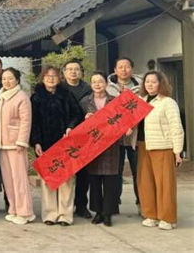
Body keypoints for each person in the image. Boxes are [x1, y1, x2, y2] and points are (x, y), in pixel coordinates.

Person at [30, 65, 82, 226]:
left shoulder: (66, 95)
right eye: (48, 76)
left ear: (59, 78)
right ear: (42, 78)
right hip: (45, 143)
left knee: (66, 180)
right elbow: (33, 122)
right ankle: (50, 213)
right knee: (48, 179)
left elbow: (77, 114)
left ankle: (65, 214)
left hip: (65, 143)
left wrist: (71, 127)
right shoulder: (36, 97)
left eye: (54, 76)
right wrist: (36, 142)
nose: (51, 79)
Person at [137, 71, 184, 231]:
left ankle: (167, 218)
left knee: (165, 184)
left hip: (162, 147)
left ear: (161, 83)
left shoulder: (168, 102)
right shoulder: (141, 101)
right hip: (143, 146)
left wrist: (178, 151)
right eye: (147, 81)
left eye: (153, 82)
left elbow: (176, 127)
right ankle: (151, 215)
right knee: (146, 183)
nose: (149, 84)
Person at [80, 71, 126, 227]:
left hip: (111, 145)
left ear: (106, 83)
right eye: (94, 82)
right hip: (92, 146)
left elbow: (123, 120)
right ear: (90, 84)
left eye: (100, 81)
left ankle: (108, 213)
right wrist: (85, 120)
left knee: (110, 180)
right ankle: (98, 212)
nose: (97, 84)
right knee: (94, 180)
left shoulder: (115, 100)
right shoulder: (85, 102)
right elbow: (78, 125)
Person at [0, 67, 35, 226]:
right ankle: (13, 209)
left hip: (16, 144)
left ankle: (25, 212)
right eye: (4, 78)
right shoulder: (1, 96)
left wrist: (22, 141)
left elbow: (26, 121)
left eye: (10, 78)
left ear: (17, 80)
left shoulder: (21, 97)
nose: (6, 81)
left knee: (19, 179)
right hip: (3, 144)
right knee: (8, 180)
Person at [107, 57, 142, 208]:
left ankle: (141, 202)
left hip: (136, 136)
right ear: (115, 70)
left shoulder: (141, 87)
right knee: (116, 171)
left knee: (138, 171)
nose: (124, 70)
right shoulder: (108, 88)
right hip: (116, 138)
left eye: (127, 67)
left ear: (132, 69)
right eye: (120, 67)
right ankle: (114, 202)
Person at [61, 59, 91, 219]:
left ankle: (81, 205)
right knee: (65, 172)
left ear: (81, 72)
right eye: (70, 69)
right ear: (64, 72)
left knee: (83, 173)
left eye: (76, 69)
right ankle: (65, 206)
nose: (73, 72)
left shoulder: (88, 89)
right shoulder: (59, 89)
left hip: (85, 136)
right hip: (64, 134)